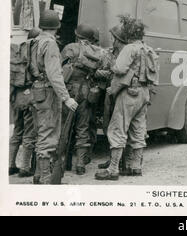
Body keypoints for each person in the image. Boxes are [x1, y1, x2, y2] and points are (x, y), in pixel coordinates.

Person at [95, 16, 159, 180]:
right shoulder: (148, 49)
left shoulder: (130, 48)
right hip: (144, 92)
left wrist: (112, 66)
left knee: (118, 128)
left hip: (129, 92)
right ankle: (135, 167)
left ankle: (113, 169)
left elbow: (120, 68)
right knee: (138, 130)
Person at [31, 10, 78, 184]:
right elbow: (55, 75)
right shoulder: (50, 44)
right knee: (49, 133)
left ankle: (38, 174)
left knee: (41, 131)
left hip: (36, 91)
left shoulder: (34, 41)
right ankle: (45, 178)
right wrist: (66, 98)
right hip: (48, 92)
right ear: (56, 27)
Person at [60, 23, 104, 175]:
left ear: (76, 34)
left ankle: (63, 162)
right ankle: (80, 165)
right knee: (83, 127)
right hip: (86, 91)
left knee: (65, 126)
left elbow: (60, 68)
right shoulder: (95, 50)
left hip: (70, 90)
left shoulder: (70, 47)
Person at [9, 28, 41, 177]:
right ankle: (25, 167)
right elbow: (36, 74)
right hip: (29, 95)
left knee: (17, 131)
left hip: (16, 96)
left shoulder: (18, 52)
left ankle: (10, 165)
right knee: (29, 132)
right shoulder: (34, 53)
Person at [96, 25, 128, 170]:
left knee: (121, 127)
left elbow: (119, 73)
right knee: (107, 124)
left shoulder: (127, 54)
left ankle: (122, 162)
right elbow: (103, 70)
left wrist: (106, 73)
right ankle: (113, 159)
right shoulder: (109, 53)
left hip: (121, 91)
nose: (112, 40)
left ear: (118, 39)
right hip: (110, 92)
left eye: (114, 38)